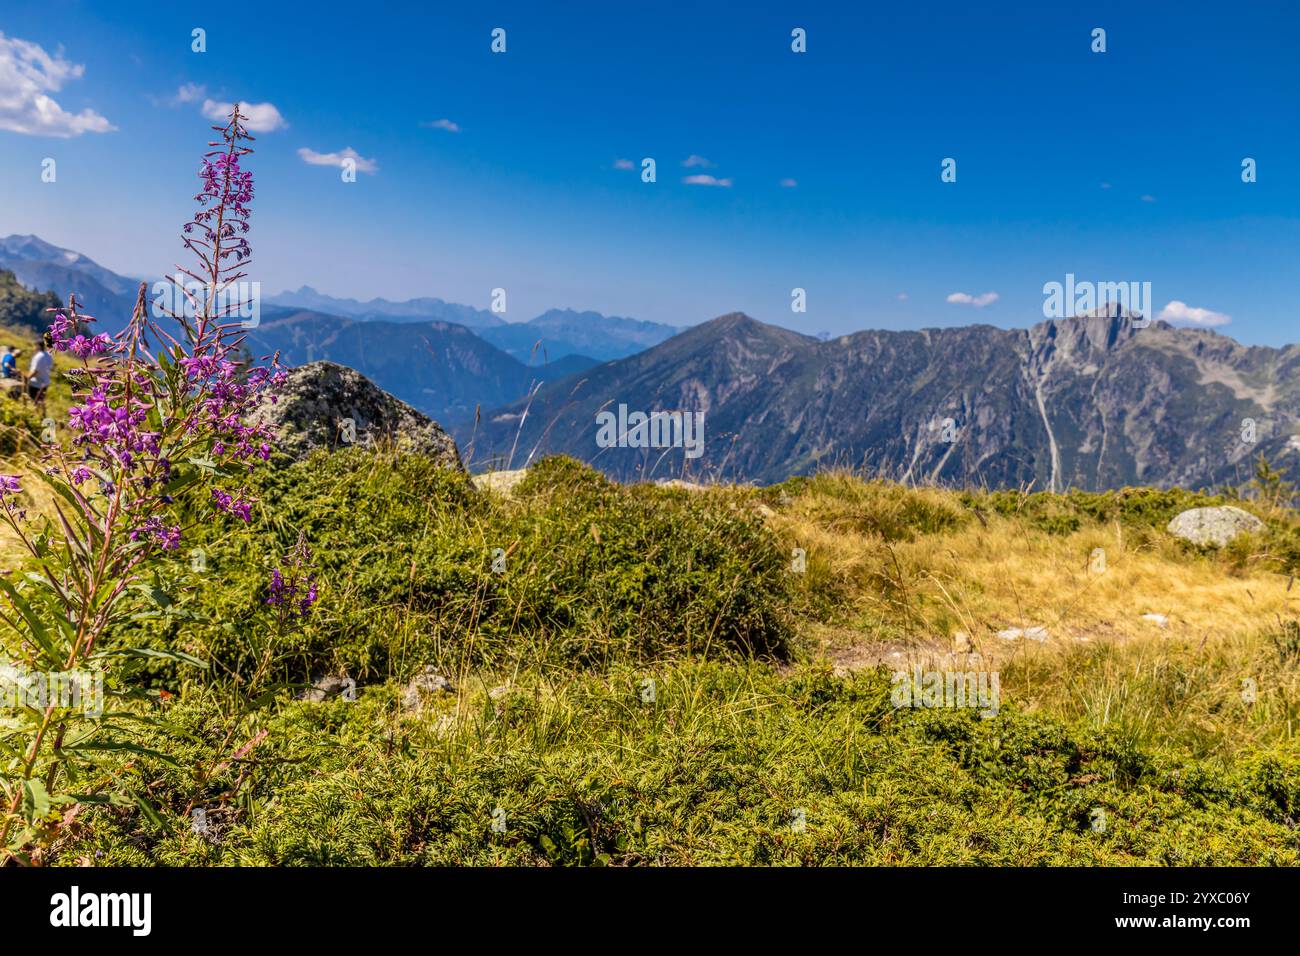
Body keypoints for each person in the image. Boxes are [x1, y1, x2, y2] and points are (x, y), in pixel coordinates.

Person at [25, 335, 53, 415]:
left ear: (37, 346)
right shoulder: (48, 355)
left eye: (34, 345)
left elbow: (35, 371)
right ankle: (43, 414)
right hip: (45, 381)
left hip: (36, 383)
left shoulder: (38, 357)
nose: (33, 347)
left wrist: (27, 378)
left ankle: (35, 415)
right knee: (41, 400)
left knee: (34, 401)